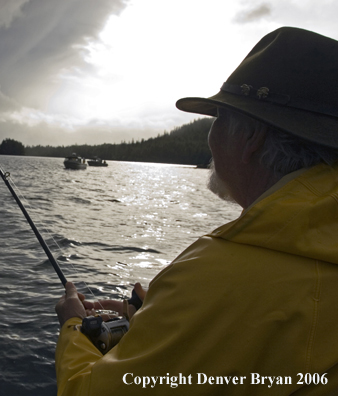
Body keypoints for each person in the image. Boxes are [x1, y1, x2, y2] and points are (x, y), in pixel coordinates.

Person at [54, 26, 338, 395]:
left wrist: (74, 327)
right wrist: (151, 315)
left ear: (252, 138)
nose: (211, 135)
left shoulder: (219, 278)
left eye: (218, 117)